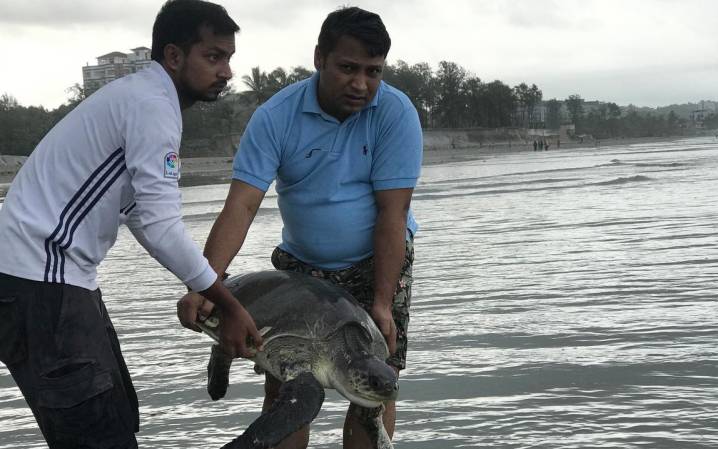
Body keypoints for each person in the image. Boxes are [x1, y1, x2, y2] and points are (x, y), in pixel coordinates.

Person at [0, 1, 263, 447]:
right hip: (43, 282)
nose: (225, 71)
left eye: (229, 59)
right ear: (175, 56)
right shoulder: (151, 105)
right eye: (214, 57)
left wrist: (201, 284)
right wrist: (230, 304)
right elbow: (162, 225)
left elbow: (142, 214)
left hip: (49, 279)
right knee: (100, 436)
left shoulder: (144, 98)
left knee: (117, 416)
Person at [178, 6, 423, 448]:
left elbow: (393, 214)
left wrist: (382, 304)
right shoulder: (276, 116)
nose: (361, 84)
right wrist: (204, 283)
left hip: (378, 264)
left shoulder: (395, 112)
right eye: (348, 68)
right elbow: (242, 205)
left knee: (374, 391)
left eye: (373, 71)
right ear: (319, 58)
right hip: (302, 269)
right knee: (287, 388)